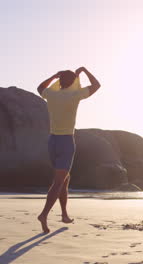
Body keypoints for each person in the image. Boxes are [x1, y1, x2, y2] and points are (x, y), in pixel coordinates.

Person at [36, 67, 101, 233]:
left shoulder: (52, 95)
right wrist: (84, 70)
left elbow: (39, 88)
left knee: (64, 178)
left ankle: (64, 214)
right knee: (58, 182)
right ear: (73, 83)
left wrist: (53, 76)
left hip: (52, 141)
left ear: (60, 81)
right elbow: (96, 85)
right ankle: (44, 215)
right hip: (66, 142)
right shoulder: (74, 95)